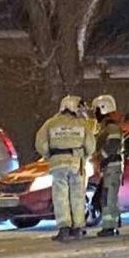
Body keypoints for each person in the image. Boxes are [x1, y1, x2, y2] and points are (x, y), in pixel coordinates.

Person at [35, 96, 95, 242]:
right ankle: (78, 227)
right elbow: (91, 146)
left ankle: (64, 228)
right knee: (78, 195)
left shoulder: (50, 123)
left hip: (57, 163)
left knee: (60, 196)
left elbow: (40, 144)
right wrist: (83, 156)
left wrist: (50, 155)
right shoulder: (82, 124)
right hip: (76, 162)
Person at [92, 95, 124, 238]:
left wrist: (101, 158)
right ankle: (111, 225)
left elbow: (112, 146)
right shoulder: (107, 127)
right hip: (110, 167)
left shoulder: (111, 128)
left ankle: (109, 227)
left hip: (112, 167)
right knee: (107, 197)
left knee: (108, 197)